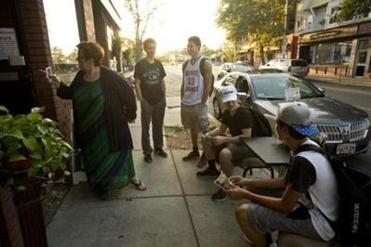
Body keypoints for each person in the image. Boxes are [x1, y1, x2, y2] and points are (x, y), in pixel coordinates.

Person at [226, 102, 338, 246]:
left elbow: (285, 206)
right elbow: (284, 181)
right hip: (312, 207)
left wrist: (244, 194)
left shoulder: (303, 162)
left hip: (320, 222)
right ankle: (264, 229)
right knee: (254, 187)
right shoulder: (305, 145)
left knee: (242, 212)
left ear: (284, 129)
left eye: (277, 123)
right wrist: (246, 182)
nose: (275, 127)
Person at [45, 41, 146, 198]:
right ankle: (102, 186)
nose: (77, 60)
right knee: (95, 158)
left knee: (115, 156)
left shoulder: (110, 76)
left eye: (80, 58)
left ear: (90, 59)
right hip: (88, 129)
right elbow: (70, 93)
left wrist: (130, 115)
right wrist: (58, 83)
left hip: (110, 127)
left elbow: (128, 94)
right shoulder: (80, 76)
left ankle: (125, 179)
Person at [199, 85, 256, 201]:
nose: (230, 104)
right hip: (236, 140)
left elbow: (247, 137)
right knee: (205, 139)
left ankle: (227, 187)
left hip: (250, 145)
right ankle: (212, 168)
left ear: (236, 98)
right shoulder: (227, 113)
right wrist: (208, 135)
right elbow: (221, 129)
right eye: (227, 101)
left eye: (232, 100)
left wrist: (224, 139)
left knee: (225, 154)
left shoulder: (243, 113)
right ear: (222, 101)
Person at [134, 38, 167, 163]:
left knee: (158, 126)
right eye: (149, 48)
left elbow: (162, 81)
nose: (152, 50)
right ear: (145, 49)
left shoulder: (158, 63)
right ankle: (147, 152)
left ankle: (158, 148)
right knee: (145, 127)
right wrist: (141, 100)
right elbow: (137, 83)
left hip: (159, 100)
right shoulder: (140, 65)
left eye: (154, 48)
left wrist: (164, 96)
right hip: (147, 101)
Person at [181, 36, 213, 162]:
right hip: (187, 102)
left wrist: (203, 102)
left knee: (204, 131)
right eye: (188, 46)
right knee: (192, 128)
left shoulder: (205, 62)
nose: (189, 48)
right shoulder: (185, 64)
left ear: (198, 47)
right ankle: (195, 150)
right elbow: (183, 83)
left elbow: (208, 85)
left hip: (199, 103)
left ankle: (206, 154)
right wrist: (181, 99)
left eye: (191, 46)